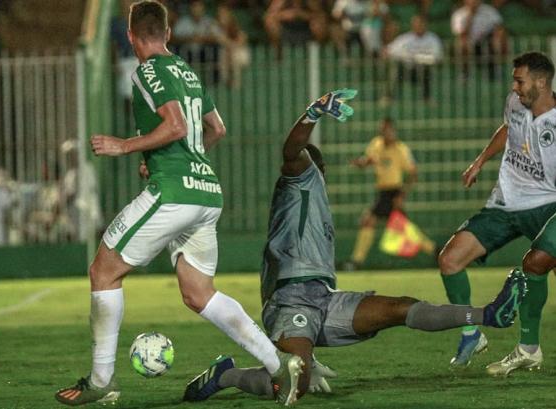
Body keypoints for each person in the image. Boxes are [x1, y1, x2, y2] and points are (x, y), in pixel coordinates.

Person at [182, 89, 527, 404]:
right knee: (291, 385)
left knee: (399, 307)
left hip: (323, 298)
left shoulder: (312, 199)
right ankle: (226, 374)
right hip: (290, 302)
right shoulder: (300, 178)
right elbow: (290, 151)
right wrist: (312, 115)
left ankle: (488, 314)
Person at [55, 1, 302, 405]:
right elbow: (215, 129)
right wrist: (184, 157)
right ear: (168, 34)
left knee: (103, 271)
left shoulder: (147, 71)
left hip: (173, 193)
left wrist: (126, 146)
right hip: (206, 192)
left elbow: (175, 125)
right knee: (198, 293)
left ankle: (101, 381)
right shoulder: (187, 70)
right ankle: (278, 364)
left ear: (132, 37)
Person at [441, 51, 555, 374]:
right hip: (504, 205)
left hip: (547, 206)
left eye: (520, 80)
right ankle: (470, 334)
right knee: (449, 260)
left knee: (537, 264)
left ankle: (528, 348)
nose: (515, 87)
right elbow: (509, 129)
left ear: (541, 82)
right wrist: (480, 160)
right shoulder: (515, 103)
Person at [346, 118, 436, 270]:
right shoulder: (377, 144)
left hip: (393, 192)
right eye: (382, 129)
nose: (384, 132)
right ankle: (435, 251)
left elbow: (413, 174)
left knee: (369, 220)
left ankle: (356, 261)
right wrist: (360, 163)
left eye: (387, 129)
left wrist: (401, 195)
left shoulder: (401, 149)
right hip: (383, 192)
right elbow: (369, 160)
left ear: (393, 131)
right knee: (405, 229)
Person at [384, 14, 443, 100]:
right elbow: (389, 51)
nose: (418, 26)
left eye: (421, 24)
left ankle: (426, 98)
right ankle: (388, 96)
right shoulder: (405, 39)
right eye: (416, 24)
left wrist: (417, 58)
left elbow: (437, 57)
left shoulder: (433, 39)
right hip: (407, 69)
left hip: (423, 70)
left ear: (425, 25)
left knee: (425, 69)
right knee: (396, 69)